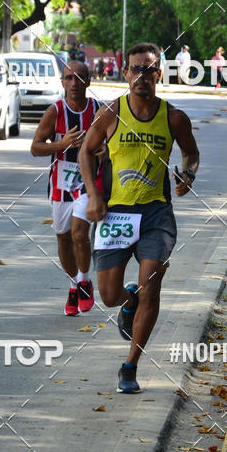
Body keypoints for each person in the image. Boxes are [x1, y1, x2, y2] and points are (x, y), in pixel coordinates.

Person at [78, 42, 200, 394]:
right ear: (125, 74)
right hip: (115, 213)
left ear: (159, 74)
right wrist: (94, 196)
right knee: (109, 295)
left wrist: (187, 176)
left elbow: (191, 154)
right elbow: (86, 151)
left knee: (152, 285)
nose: (141, 76)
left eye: (149, 69)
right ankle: (127, 302)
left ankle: (130, 366)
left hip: (156, 214)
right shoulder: (110, 115)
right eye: (135, 69)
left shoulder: (173, 117)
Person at [31, 60, 102, 315]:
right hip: (60, 183)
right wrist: (62, 144)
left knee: (79, 233)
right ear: (62, 82)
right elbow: (36, 147)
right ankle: (74, 285)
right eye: (69, 78)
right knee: (63, 237)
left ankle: (84, 281)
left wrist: (105, 150)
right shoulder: (55, 112)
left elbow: (115, 143)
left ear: (89, 82)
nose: (74, 83)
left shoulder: (98, 110)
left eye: (80, 78)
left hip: (88, 182)